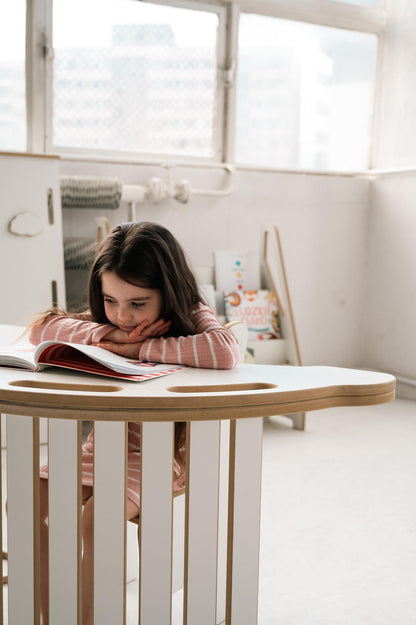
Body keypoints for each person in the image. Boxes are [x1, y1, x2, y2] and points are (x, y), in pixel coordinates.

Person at [29, 221, 239, 625]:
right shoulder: (112, 320)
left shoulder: (193, 313)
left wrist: (137, 347)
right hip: (101, 448)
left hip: (160, 457)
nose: (123, 315)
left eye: (138, 304)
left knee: (96, 518)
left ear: (169, 291)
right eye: (110, 301)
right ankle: (49, 617)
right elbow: (43, 328)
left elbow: (225, 350)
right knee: (23, 500)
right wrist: (105, 332)